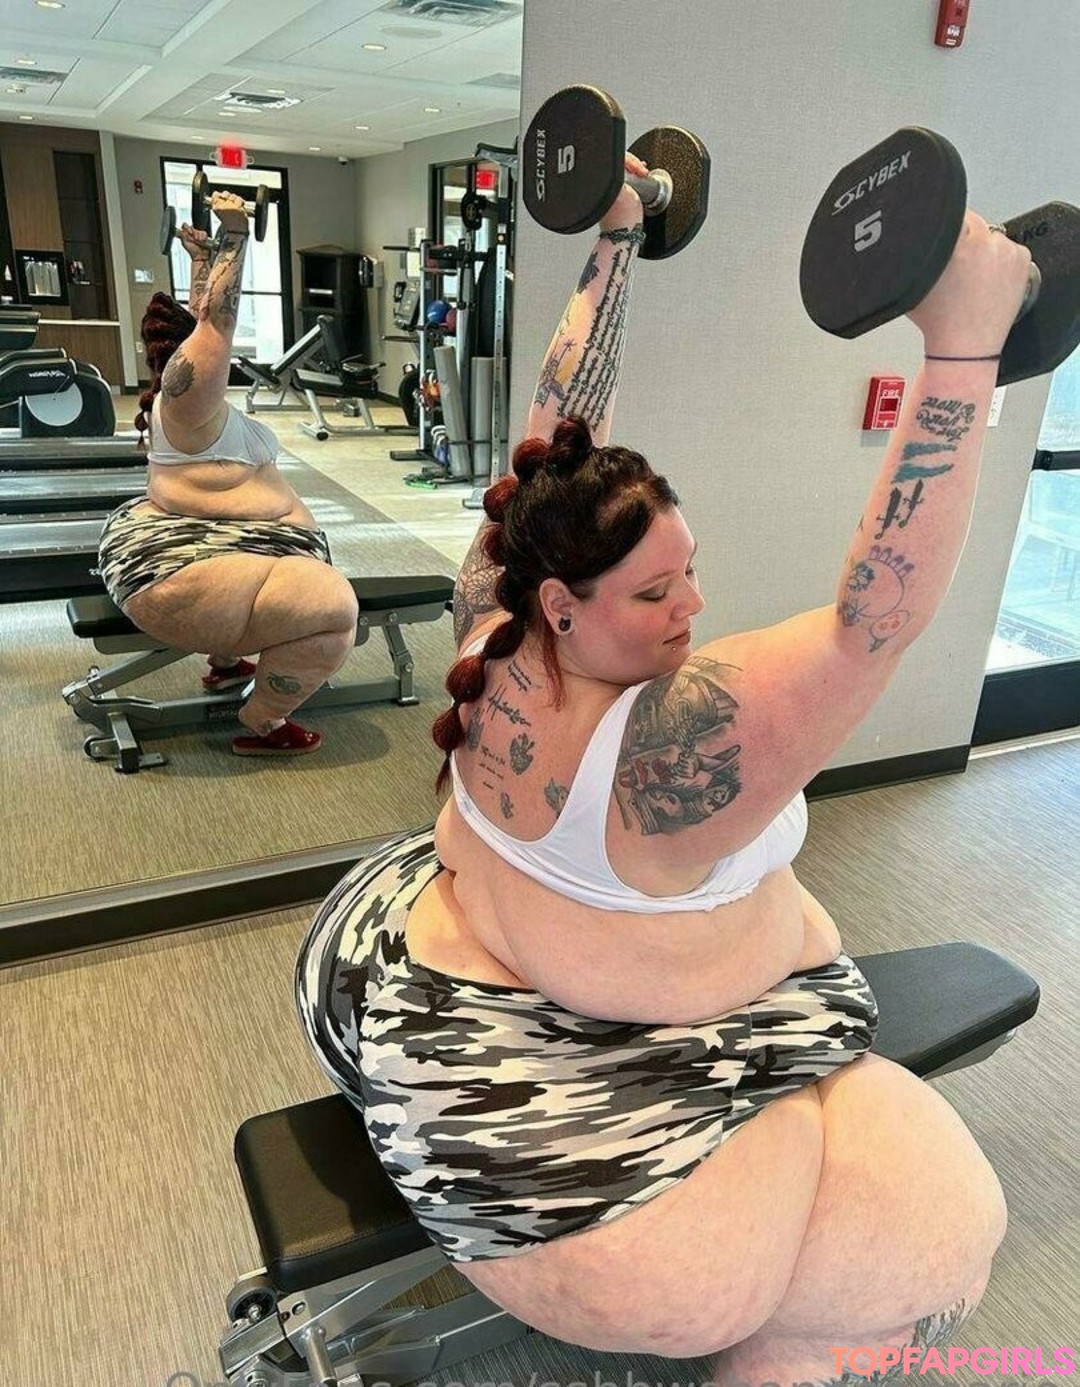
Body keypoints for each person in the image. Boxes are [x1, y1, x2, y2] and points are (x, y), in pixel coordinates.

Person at [296, 153, 1034, 1385]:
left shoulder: (493, 617)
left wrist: (617, 235)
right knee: (946, 1248)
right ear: (565, 605)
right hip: (570, 1129)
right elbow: (873, 623)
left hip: (430, 959)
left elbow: (554, 418)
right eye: (653, 592)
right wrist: (963, 346)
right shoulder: (657, 750)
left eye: (690, 569)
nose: (692, 606)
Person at [98, 193, 358, 756]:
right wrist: (236, 235)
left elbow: (201, 322)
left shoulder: (187, 407)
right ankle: (264, 719)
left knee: (296, 589)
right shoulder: (184, 404)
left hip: (214, 563)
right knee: (336, 608)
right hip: (184, 572)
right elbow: (214, 325)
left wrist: (201, 257)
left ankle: (225, 660)